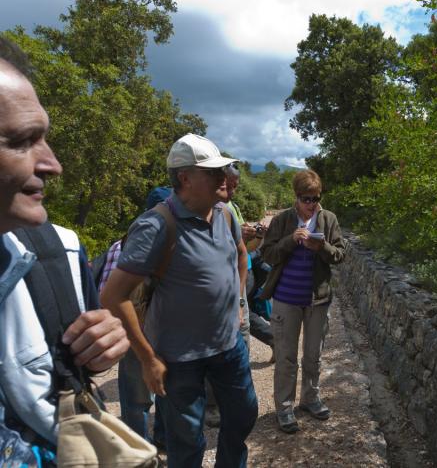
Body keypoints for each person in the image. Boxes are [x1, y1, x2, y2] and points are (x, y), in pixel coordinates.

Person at [0, 37, 129, 459]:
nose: (53, 165)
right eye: (22, 140)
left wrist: (100, 350)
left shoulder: (60, 251)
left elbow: (81, 360)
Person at [100, 133, 258, 468]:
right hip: (178, 358)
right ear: (185, 178)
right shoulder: (157, 225)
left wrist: (238, 306)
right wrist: (147, 358)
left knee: (244, 414)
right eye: (213, 172)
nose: (223, 177)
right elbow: (113, 296)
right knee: (186, 444)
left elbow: (240, 256)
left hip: (228, 347)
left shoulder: (225, 214)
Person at [260, 169, 346, 434]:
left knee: (313, 356)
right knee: (286, 358)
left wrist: (321, 248)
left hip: (317, 300)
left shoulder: (328, 219)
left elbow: (340, 254)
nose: (311, 204)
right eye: (305, 198)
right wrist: (291, 240)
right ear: (296, 197)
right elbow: (268, 254)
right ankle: (284, 408)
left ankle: (310, 399)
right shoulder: (283, 220)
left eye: (315, 198)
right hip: (286, 299)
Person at [96, 187, 170, 446]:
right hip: (139, 331)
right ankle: (142, 447)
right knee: (141, 397)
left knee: (156, 392)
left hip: (152, 329)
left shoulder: (129, 243)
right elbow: (109, 294)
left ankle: (154, 442)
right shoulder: (135, 244)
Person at [221, 163, 274, 354]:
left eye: (235, 186)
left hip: (243, 270)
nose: (232, 191)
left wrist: (257, 236)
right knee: (244, 316)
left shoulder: (232, 207)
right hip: (230, 274)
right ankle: (274, 339)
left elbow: (245, 249)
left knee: (243, 318)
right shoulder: (208, 210)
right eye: (228, 186)